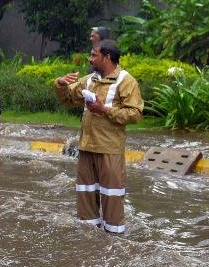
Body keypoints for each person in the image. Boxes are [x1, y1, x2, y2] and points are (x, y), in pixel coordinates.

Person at [54, 39, 143, 234]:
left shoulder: (126, 81)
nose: (90, 58)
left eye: (94, 55)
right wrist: (60, 84)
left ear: (107, 57)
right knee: (85, 197)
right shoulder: (90, 79)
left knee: (112, 198)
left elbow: (135, 114)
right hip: (86, 148)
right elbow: (69, 99)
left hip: (109, 150)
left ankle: (115, 242)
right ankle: (89, 242)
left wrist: (104, 110)